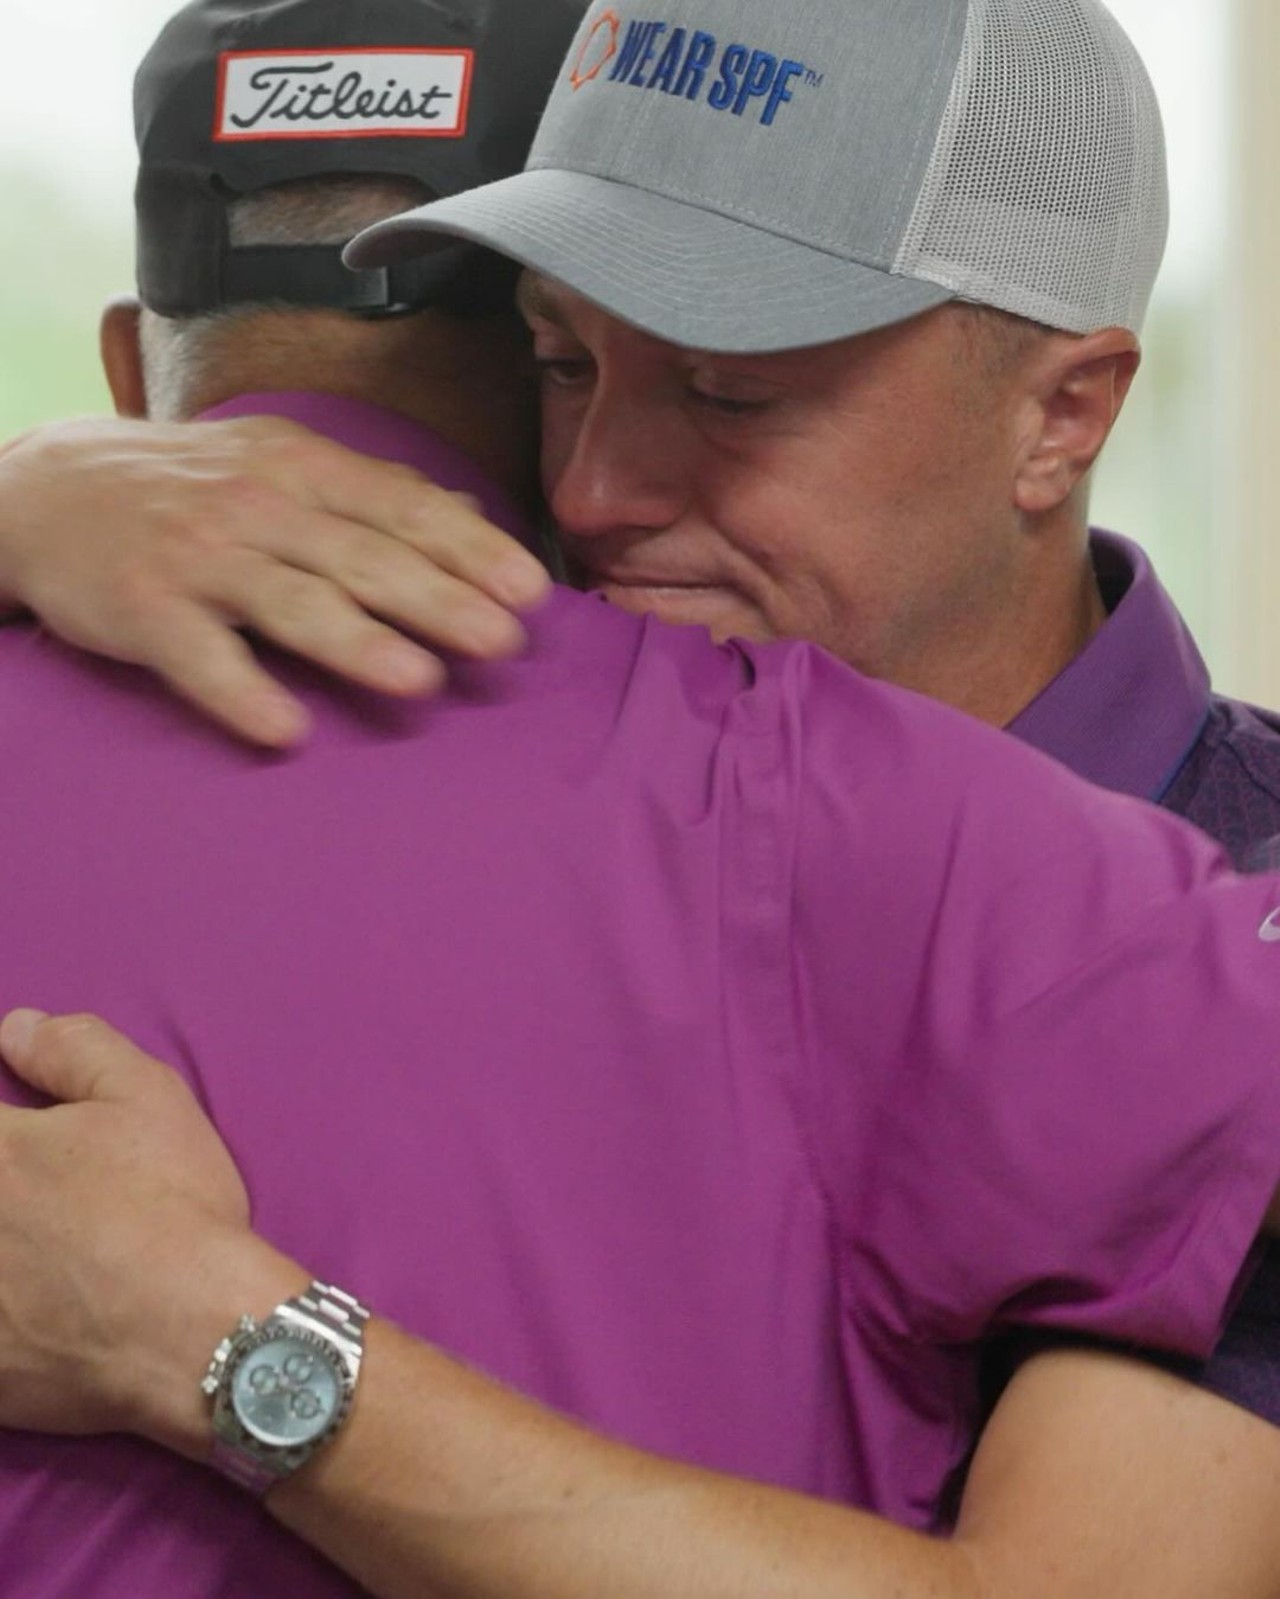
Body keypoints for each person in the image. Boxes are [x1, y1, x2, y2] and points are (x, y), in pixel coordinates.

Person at [4, 2, 1280, 1597]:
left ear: (1064, 414)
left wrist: (208, 1332)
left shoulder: (1218, 909)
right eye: (556, 359)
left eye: (731, 394)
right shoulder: (541, 757)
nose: (594, 489)